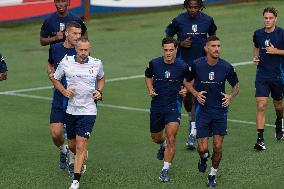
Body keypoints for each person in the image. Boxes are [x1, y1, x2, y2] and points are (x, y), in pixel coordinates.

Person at [184, 36, 239, 187]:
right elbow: (186, 81)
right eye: (213, 46)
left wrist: (230, 96)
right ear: (206, 48)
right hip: (203, 111)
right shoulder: (196, 65)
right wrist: (195, 94)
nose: (217, 49)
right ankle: (203, 157)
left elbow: (236, 85)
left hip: (220, 111)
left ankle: (212, 174)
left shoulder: (226, 67)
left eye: (219, 46)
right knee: (202, 148)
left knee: (218, 146)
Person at [52, 38, 105, 189]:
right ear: (76, 49)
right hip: (71, 110)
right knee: (72, 145)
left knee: (81, 145)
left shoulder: (96, 63)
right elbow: (56, 79)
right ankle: (80, 157)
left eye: (86, 50)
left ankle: (75, 181)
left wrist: (99, 91)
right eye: (81, 50)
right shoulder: (66, 62)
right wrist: (64, 90)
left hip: (88, 111)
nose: (83, 53)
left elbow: (101, 78)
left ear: (89, 50)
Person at [165, 0, 217, 149]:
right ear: (185, 7)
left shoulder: (208, 20)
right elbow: (168, 38)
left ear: (200, 7)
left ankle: (195, 131)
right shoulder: (178, 20)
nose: (193, 10)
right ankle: (193, 126)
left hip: (202, 65)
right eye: (190, 7)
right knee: (187, 96)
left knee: (201, 96)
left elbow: (213, 38)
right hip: (184, 65)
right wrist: (180, 43)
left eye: (196, 7)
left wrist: (210, 51)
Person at [145, 37, 191, 182]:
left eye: (171, 50)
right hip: (157, 106)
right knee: (156, 137)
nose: (168, 53)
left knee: (172, 137)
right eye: (166, 50)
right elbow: (147, 76)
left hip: (173, 106)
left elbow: (190, 81)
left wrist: (185, 90)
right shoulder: (154, 63)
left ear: (176, 50)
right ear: (162, 49)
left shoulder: (183, 66)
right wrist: (150, 88)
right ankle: (162, 145)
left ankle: (165, 170)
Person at [48, 21, 82, 175]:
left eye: (79, 34)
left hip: (75, 99)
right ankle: (63, 150)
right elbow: (50, 66)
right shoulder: (55, 48)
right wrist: (52, 76)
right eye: (74, 33)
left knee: (74, 136)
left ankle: (73, 162)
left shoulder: (81, 50)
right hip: (59, 97)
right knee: (56, 134)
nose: (78, 36)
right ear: (67, 33)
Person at [253, 7, 284, 151]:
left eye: (270, 18)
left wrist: (276, 51)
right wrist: (256, 56)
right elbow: (256, 46)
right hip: (262, 75)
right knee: (261, 105)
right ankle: (260, 139)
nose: (268, 20)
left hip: (278, 75)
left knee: (278, 105)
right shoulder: (258, 34)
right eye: (265, 18)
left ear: (275, 19)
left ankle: (279, 120)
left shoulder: (282, 34)